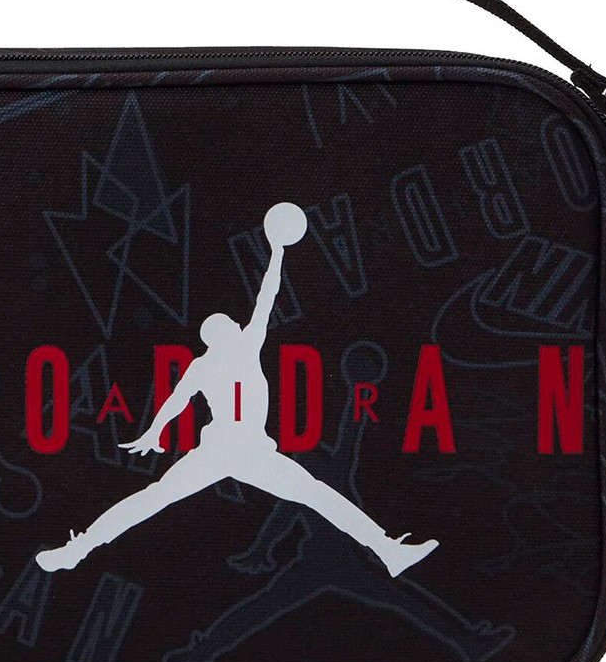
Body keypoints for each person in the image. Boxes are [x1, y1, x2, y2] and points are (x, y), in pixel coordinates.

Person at [36, 202, 439, 577]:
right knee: (307, 494)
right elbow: (264, 299)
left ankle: (388, 550)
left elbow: (180, 398)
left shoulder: (218, 357)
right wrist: (277, 252)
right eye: (231, 324)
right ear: (222, 333)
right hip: (232, 448)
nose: (238, 325)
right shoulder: (235, 351)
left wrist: (155, 431)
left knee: (162, 497)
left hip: (245, 450)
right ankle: (78, 549)